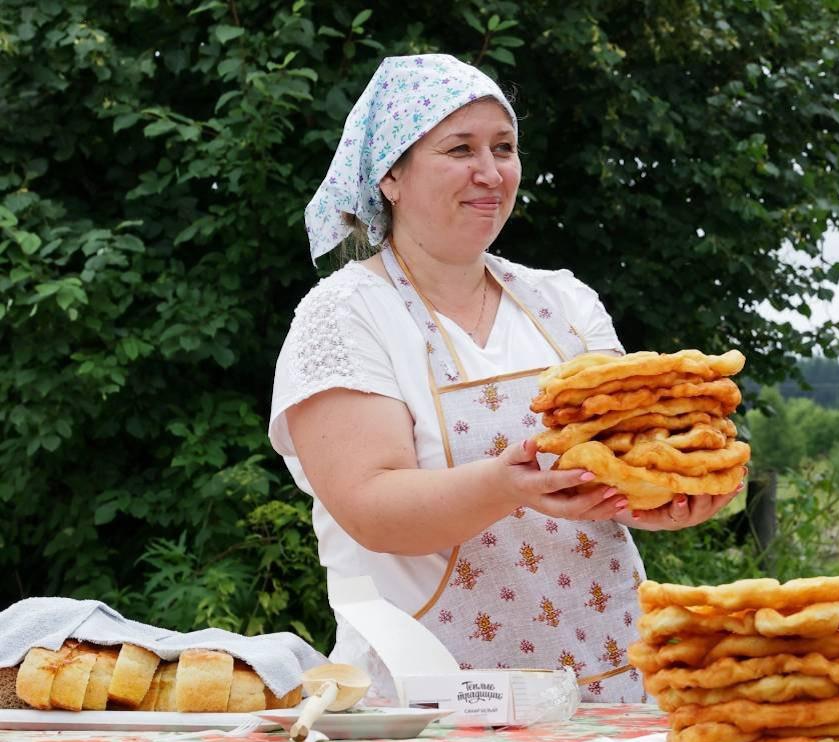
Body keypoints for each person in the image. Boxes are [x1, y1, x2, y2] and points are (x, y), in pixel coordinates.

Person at [269, 54, 742, 703]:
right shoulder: (347, 315)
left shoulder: (565, 302)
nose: (490, 173)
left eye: (504, 147)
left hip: (610, 692)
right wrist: (505, 484)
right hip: (428, 709)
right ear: (390, 177)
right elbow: (372, 510)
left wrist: (670, 496)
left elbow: (619, 468)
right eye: (460, 148)